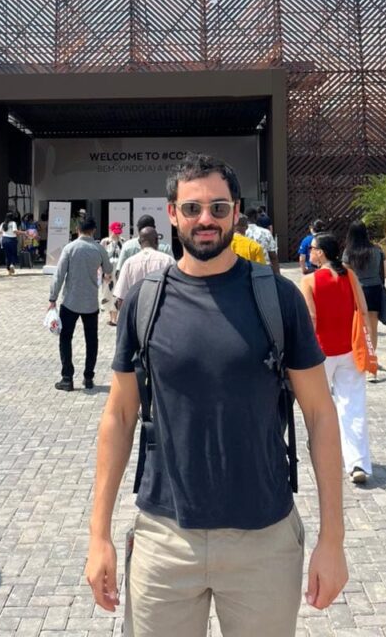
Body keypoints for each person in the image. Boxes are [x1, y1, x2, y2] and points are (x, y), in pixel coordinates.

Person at [86, 153, 347, 637]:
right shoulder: (147, 300)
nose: (205, 219)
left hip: (263, 541)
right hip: (165, 537)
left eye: (218, 207)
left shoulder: (277, 298)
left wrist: (333, 539)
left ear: (237, 211)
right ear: (171, 213)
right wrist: (98, 535)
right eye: (192, 208)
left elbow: (321, 414)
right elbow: (119, 417)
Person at [300, 232, 373, 485]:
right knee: (352, 406)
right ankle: (358, 464)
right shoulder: (350, 275)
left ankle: (323, 456)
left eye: (312, 248)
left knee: (319, 408)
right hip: (350, 348)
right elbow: (362, 310)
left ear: (321, 253)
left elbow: (311, 319)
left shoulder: (309, 281)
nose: (310, 252)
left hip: (321, 351)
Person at [49, 218, 112, 392]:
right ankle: (89, 377)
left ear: (78, 229)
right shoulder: (99, 248)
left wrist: (52, 297)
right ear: (94, 230)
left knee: (65, 338)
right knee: (91, 340)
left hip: (70, 301)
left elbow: (59, 274)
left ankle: (67, 378)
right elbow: (108, 269)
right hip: (91, 302)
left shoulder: (70, 248)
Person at [342, 221, 386, 380]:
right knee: (372, 329)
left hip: (356, 291)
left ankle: (357, 359)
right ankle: (371, 364)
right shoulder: (377, 250)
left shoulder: (348, 252)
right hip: (374, 289)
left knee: (356, 327)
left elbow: (345, 274)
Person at [112, 226, 175, 308]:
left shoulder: (129, 263)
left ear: (139, 242)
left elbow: (120, 299)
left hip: (135, 312)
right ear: (156, 241)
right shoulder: (168, 261)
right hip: (161, 312)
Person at [115, 214, 173, 279]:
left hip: (133, 288)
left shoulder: (127, 246)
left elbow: (119, 273)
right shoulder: (166, 247)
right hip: (159, 287)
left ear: (138, 229)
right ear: (154, 228)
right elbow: (172, 273)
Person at [100, 222, 125, 326]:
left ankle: (115, 318)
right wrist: (103, 273)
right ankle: (112, 318)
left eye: (118, 232)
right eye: (115, 232)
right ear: (111, 230)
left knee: (118, 293)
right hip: (108, 272)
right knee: (108, 294)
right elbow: (101, 258)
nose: (117, 234)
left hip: (119, 272)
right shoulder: (105, 242)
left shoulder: (123, 241)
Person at [246, 208, 280, 274]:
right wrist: (278, 276)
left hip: (246, 270)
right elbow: (273, 256)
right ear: (256, 217)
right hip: (264, 270)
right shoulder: (266, 232)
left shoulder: (240, 234)